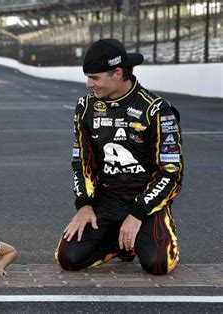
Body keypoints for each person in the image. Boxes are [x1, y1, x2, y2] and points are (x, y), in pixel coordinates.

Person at [55, 38, 183, 275]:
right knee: (68, 259)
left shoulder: (156, 109)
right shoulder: (86, 107)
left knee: (158, 265)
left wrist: (137, 213)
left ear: (117, 73)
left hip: (145, 200)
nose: (88, 84)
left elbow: (171, 172)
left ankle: (141, 230)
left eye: (94, 78)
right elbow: (82, 161)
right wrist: (84, 205)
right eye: (87, 77)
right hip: (107, 198)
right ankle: (119, 241)